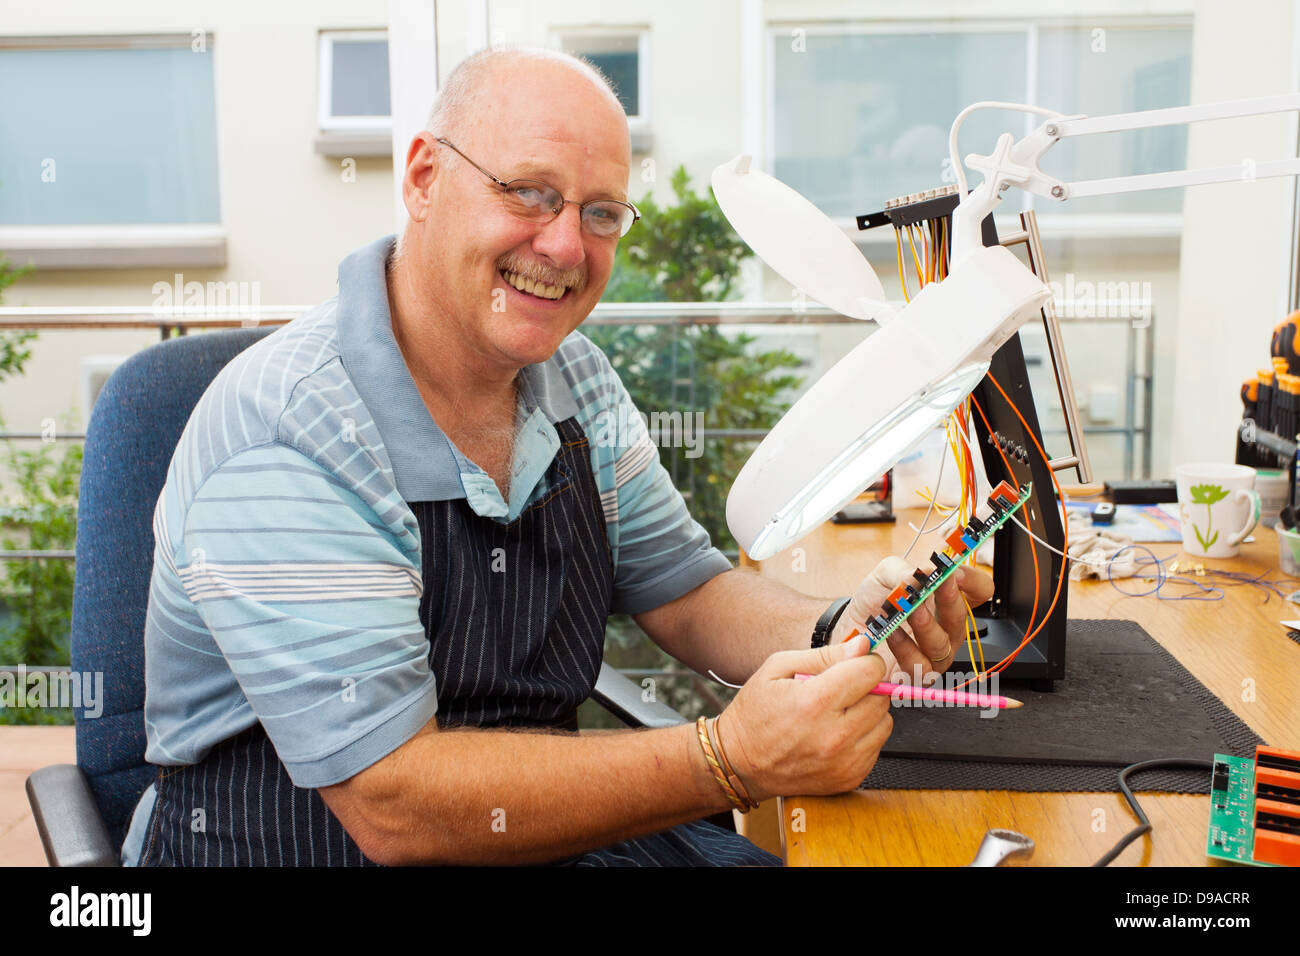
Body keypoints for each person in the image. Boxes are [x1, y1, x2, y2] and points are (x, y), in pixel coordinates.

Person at [123, 47, 993, 867]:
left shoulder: (571, 372)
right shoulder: (291, 431)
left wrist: (836, 627)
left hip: (533, 838)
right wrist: (725, 757)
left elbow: (685, 590)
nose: (567, 248)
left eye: (600, 213)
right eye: (529, 193)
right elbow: (393, 803)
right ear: (424, 178)